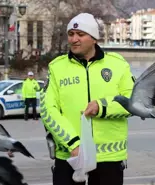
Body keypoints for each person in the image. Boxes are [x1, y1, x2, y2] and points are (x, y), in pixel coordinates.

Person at [39, 12, 135, 185]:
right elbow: (48, 110)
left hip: (109, 159)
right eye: (71, 34)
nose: (74, 39)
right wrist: (73, 144)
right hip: (70, 158)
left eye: (80, 34)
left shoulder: (118, 65)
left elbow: (134, 102)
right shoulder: (57, 67)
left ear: (94, 38)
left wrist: (102, 107)